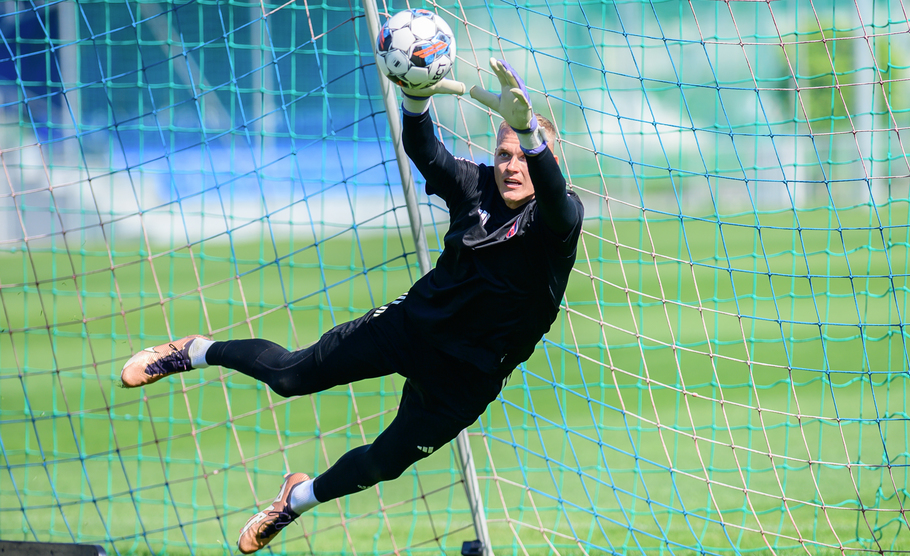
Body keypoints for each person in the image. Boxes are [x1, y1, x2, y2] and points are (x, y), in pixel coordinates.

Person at [119, 58, 583, 554]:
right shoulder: (477, 186)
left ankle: (295, 499)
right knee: (290, 377)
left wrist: (529, 132)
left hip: (468, 377)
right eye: (503, 154)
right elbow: (425, 150)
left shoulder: (557, 220)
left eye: (524, 157)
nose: (512, 166)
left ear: (546, 161)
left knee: (384, 463)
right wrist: (415, 96)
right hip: (411, 327)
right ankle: (192, 351)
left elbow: (556, 202)